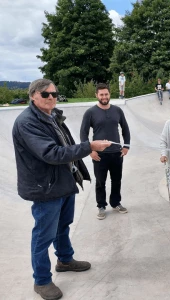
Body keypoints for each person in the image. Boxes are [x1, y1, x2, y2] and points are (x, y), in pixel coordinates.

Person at [12, 79, 111, 299]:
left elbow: (66, 145)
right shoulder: (27, 122)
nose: (51, 98)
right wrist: (90, 147)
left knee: (63, 225)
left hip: (63, 180)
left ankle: (65, 260)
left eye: (55, 94)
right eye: (46, 94)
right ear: (32, 95)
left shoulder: (52, 116)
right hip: (45, 187)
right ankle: (42, 281)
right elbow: (52, 153)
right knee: (43, 235)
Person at [80, 83, 131, 220]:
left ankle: (115, 203)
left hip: (116, 153)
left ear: (109, 94)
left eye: (106, 94)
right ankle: (101, 206)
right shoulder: (90, 112)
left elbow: (125, 129)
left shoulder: (117, 111)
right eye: (101, 94)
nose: (104, 97)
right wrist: (90, 151)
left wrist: (126, 147)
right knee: (100, 181)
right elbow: (83, 134)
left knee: (116, 180)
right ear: (96, 95)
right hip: (99, 155)